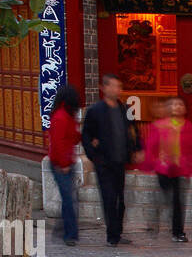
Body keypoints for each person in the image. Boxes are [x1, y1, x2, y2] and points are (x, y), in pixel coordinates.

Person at [82, 74, 141, 246]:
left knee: (120, 199)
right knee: (109, 197)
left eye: (119, 86)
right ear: (104, 88)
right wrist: (94, 155)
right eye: (113, 86)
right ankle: (111, 236)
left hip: (120, 160)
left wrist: (136, 149)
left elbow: (133, 130)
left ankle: (118, 231)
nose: (116, 90)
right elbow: (86, 136)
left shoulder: (123, 108)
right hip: (104, 162)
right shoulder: (95, 110)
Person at [143, 96, 192, 243]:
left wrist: (191, 164)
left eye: (179, 104)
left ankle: (178, 232)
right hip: (163, 168)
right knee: (163, 198)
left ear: (185, 108)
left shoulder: (190, 127)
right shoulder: (158, 126)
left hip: (181, 169)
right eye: (173, 104)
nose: (176, 107)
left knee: (178, 201)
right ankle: (154, 222)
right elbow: (150, 147)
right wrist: (154, 162)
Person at [47, 85, 81, 246]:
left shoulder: (67, 116)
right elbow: (58, 143)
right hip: (61, 165)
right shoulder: (61, 117)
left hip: (66, 162)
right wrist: (64, 163)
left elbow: (73, 138)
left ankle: (64, 230)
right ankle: (69, 234)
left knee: (69, 199)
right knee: (68, 199)